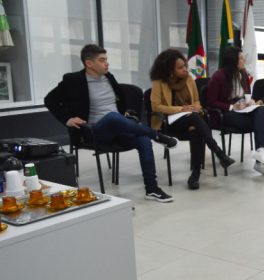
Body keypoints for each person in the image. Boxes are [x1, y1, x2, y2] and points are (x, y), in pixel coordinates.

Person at [44, 44, 176, 202]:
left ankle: (152, 189)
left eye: (106, 59)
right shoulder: (73, 80)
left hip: (118, 128)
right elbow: (49, 100)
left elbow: (120, 101)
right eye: (102, 60)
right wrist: (68, 119)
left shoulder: (108, 77)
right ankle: (157, 135)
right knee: (112, 117)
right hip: (94, 131)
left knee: (143, 141)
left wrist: (125, 112)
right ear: (89, 63)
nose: (107, 63)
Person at [149, 49, 235, 190]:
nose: (185, 69)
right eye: (180, 67)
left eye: (185, 66)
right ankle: (219, 153)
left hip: (191, 119)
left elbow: (196, 100)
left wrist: (195, 107)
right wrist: (181, 109)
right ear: (170, 70)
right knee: (195, 119)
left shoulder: (188, 79)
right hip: (169, 122)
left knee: (195, 129)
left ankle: (195, 175)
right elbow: (156, 106)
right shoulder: (159, 82)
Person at [207, 47, 264, 176]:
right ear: (233, 61)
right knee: (260, 123)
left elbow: (246, 93)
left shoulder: (243, 73)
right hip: (225, 113)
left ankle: (260, 152)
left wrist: (250, 101)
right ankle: (260, 161)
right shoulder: (218, 76)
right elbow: (211, 102)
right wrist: (232, 107)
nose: (244, 60)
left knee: (261, 109)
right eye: (242, 58)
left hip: (243, 110)